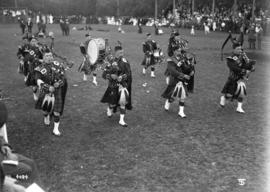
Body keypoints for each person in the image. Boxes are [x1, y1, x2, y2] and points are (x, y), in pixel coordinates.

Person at [34, 51, 68, 136]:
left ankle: (55, 129)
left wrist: (59, 83)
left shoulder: (58, 65)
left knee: (57, 111)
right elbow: (38, 80)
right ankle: (46, 116)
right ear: (43, 58)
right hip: (45, 91)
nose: (49, 57)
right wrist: (48, 87)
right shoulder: (39, 68)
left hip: (57, 91)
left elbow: (63, 77)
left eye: (50, 56)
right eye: (47, 56)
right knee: (46, 109)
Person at [101, 45, 132, 127]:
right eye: (120, 53)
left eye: (122, 52)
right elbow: (104, 75)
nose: (121, 54)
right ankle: (109, 108)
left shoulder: (125, 61)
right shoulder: (110, 62)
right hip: (112, 86)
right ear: (115, 53)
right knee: (112, 103)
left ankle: (121, 120)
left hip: (122, 86)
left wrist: (122, 77)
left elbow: (129, 73)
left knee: (123, 102)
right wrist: (111, 76)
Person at [161, 41, 195, 118]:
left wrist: (190, 69)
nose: (179, 52)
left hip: (182, 80)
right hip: (174, 80)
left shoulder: (181, 58)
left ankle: (181, 112)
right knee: (172, 96)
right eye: (177, 50)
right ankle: (168, 101)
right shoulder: (170, 60)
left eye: (180, 50)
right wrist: (183, 75)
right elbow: (172, 71)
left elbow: (185, 67)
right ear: (174, 51)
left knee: (182, 96)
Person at [219, 45, 255, 113]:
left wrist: (251, 67)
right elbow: (234, 68)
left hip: (240, 79)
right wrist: (244, 71)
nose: (240, 51)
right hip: (233, 79)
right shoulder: (230, 59)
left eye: (241, 49)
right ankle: (224, 98)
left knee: (241, 93)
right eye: (238, 49)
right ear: (234, 49)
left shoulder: (243, 57)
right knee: (230, 95)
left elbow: (246, 65)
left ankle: (239, 107)